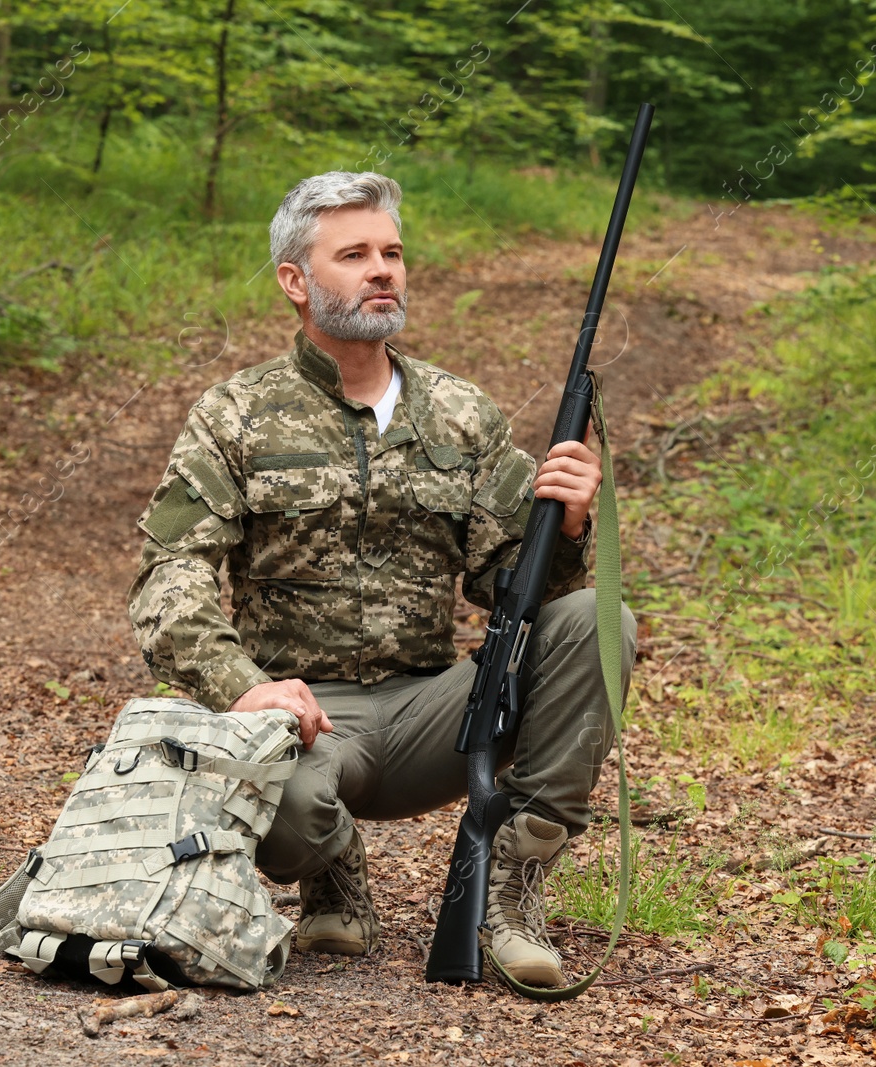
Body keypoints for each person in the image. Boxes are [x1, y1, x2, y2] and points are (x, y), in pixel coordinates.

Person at [128, 171, 637, 988]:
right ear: (295, 281)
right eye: (355, 253)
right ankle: (332, 871)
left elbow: (516, 590)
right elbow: (169, 577)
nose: (383, 270)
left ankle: (511, 885)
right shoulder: (236, 415)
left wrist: (570, 531)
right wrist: (242, 687)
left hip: (436, 710)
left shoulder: (461, 414)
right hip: (303, 721)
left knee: (597, 619)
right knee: (286, 807)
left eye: (392, 252)